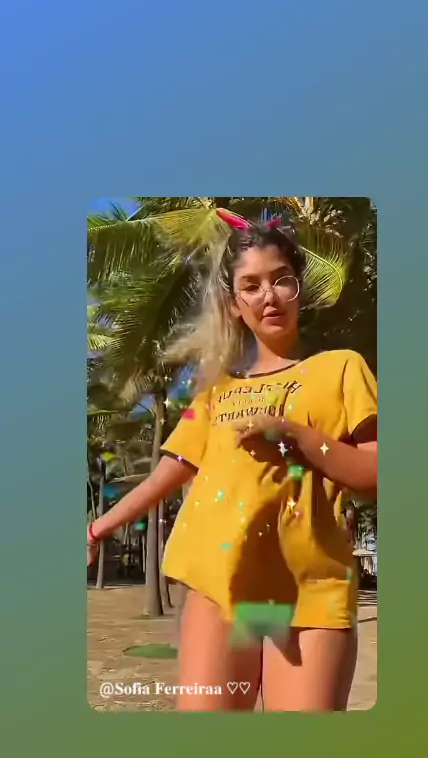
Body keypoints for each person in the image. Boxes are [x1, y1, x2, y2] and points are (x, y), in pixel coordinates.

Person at [88, 216, 377, 712]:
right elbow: (168, 473)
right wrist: (97, 530)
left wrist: (295, 434)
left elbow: (374, 476)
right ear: (234, 305)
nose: (269, 295)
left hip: (308, 590)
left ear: (300, 288)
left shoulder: (343, 368)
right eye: (251, 285)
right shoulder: (215, 391)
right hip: (218, 588)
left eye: (281, 279)